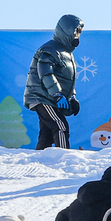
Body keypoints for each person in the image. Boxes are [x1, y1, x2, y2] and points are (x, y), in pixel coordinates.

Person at [23, 14, 83, 150]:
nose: (78, 35)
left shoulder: (67, 53)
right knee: (60, 126)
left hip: (51, 97)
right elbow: (45, 73)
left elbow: (67, 80)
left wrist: (72, 97)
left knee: (47, 133)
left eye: (80, 32)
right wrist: (57, 94)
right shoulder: (50, 50)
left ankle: (40, 158)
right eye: (76, 31)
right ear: (68, 30)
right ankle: (64, 155)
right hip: (42, 97)